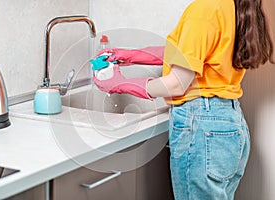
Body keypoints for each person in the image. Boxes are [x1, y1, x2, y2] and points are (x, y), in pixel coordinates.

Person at [92, 0, 274, 199]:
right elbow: (188, 52)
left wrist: (120, 83)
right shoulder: (230, 6)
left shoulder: (204, 9)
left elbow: (177, 84)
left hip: (201, 126)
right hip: (229, 124)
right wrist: (129, 55)